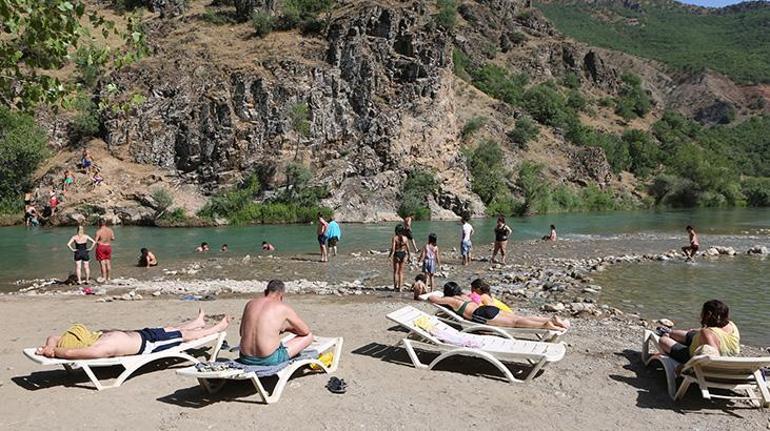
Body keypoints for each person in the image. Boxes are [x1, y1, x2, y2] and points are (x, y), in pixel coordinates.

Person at [35, 309, 229, 359]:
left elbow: (54, 336)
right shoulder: (99, 348)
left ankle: (197, 322)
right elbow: (68, 353)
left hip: (141, 334)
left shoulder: (88, 339)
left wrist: (50, 347)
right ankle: (216, 329)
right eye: (81, 335)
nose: (84, 332)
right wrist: (53, 353)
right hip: (148, 346)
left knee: (170, 328)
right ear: (80, 343)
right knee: (182, 336)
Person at [429, 282, 570, 330]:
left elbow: (432, 298)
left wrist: (442, 297)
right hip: (488, 309)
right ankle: (551, 319)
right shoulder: (465, 296)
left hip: (482, 315)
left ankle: (546, 325)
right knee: (519, 317)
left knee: (515, 323)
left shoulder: (453, 300)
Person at [238, 280, 313, 366]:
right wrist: (287, 329)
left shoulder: (250, 304)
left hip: (245, 357)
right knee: (309, 336)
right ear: (281, 296)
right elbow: (305, 331)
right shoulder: (282, 307)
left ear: (265, 292)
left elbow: (241, 333)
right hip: (268, 359)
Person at [655, 300, 739, 364]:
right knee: (674, 333)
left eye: (702, 312)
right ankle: (669, 333)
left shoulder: (707, 333)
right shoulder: (731, 325)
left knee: (663, 340)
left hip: (692, 355)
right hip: (705, 342)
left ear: (708, 314)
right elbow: (717, 333)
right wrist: (697, 330)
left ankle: (666, 335)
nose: (700, 315)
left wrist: (683, 367)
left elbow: (712, 356)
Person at [388, 224, 410, 292]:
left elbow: (393, 249)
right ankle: (400, 288)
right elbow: (408, 248)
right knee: (401, 272)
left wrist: (390, 256)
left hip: (397, 254)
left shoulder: (395, 238)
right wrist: (409, 256)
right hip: (403, 254)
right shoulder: (405, 238)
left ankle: (395, 288)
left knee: (395, 272)